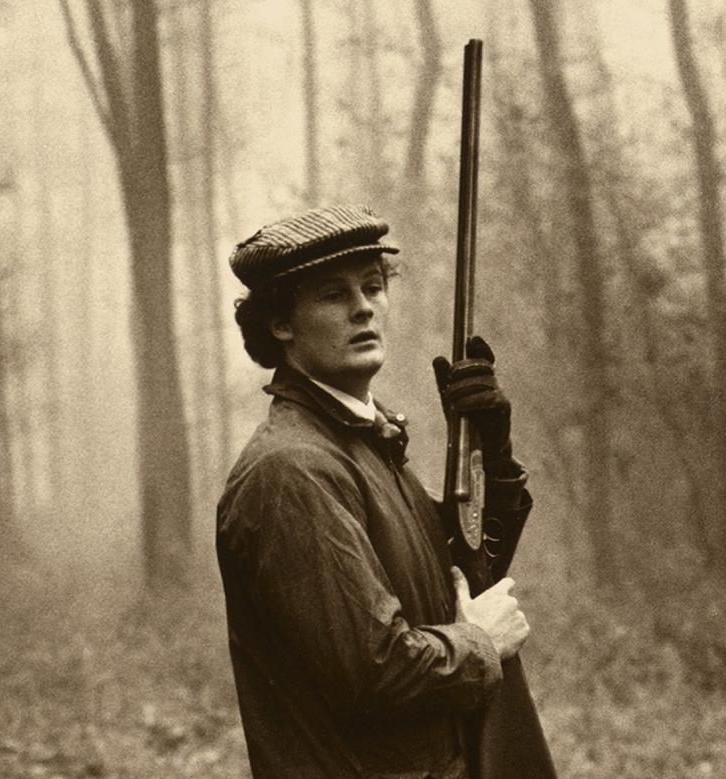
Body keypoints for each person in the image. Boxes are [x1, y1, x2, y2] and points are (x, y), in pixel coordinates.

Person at [216, 205, 538, 778]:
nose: (363, 307)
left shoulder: (364, 445)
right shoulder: (293, 471)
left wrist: (491, 449)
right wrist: (481, 643)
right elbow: (377, 669)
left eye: (372, 286)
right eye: (332, 295)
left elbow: (469, 571)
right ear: (281, 324)